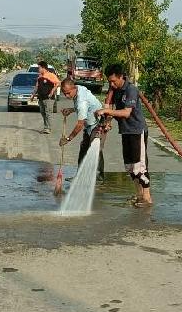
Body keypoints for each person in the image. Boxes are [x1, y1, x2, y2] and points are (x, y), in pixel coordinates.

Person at [96, 63, 152, 207]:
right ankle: (139, 195)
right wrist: (107, 122)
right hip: (125, 131)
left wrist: (107, 111)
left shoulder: (131, 89)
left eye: (113, 81)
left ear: (121, 77)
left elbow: (126, 113)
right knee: (130, 167)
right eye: (109, 82)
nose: (111, 84)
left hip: (136, 131)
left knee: (140, 167)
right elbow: (112, 108)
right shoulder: (116, 90)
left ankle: (147, 198)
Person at [59, 76, 105, 177]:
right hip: (89, 124)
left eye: (68, 93)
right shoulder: (78, 89)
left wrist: (68, 139)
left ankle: (99, 176)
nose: (66, 96)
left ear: (73, 88)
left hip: (98, 123)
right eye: (64, 93)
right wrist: (71, 110)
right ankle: (79, 175)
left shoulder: (81, 101)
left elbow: (80, 125)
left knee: (95, 148)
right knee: (84, 147)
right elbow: (84, 108)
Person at [34, 60, 60, 133]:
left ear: (43, 68)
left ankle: (48, 128)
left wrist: (52, 91)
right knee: (43, 113)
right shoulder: (40, 76)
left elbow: (58, 83)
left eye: (39, 68)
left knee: (48, 113)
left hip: (49, 98)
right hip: (41, 98)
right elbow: (37, 86)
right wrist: (33, 95)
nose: (38, 69)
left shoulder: (51, 75)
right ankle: (46, 127)